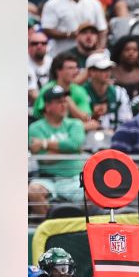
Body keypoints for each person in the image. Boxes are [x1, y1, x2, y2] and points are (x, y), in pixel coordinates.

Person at [27, 86, 87, 219]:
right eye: (58, 102)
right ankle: (50, 226)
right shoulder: (35, 127)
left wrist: (44, 143)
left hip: (75, 178)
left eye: (65, 101)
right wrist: (72, 152)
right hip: (48, 178)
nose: (64, 105)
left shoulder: (75, 124)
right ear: (48, 106)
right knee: (33, 190)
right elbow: (43, 159)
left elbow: (75, 144)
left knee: (93, 194)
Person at [41, 0, 107, 56]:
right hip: (63, 55)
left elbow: (102, 29)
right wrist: (68, 34)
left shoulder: (93, 2)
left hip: (90, 55)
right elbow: (47, 29)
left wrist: (100, 49)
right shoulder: (52, 4)